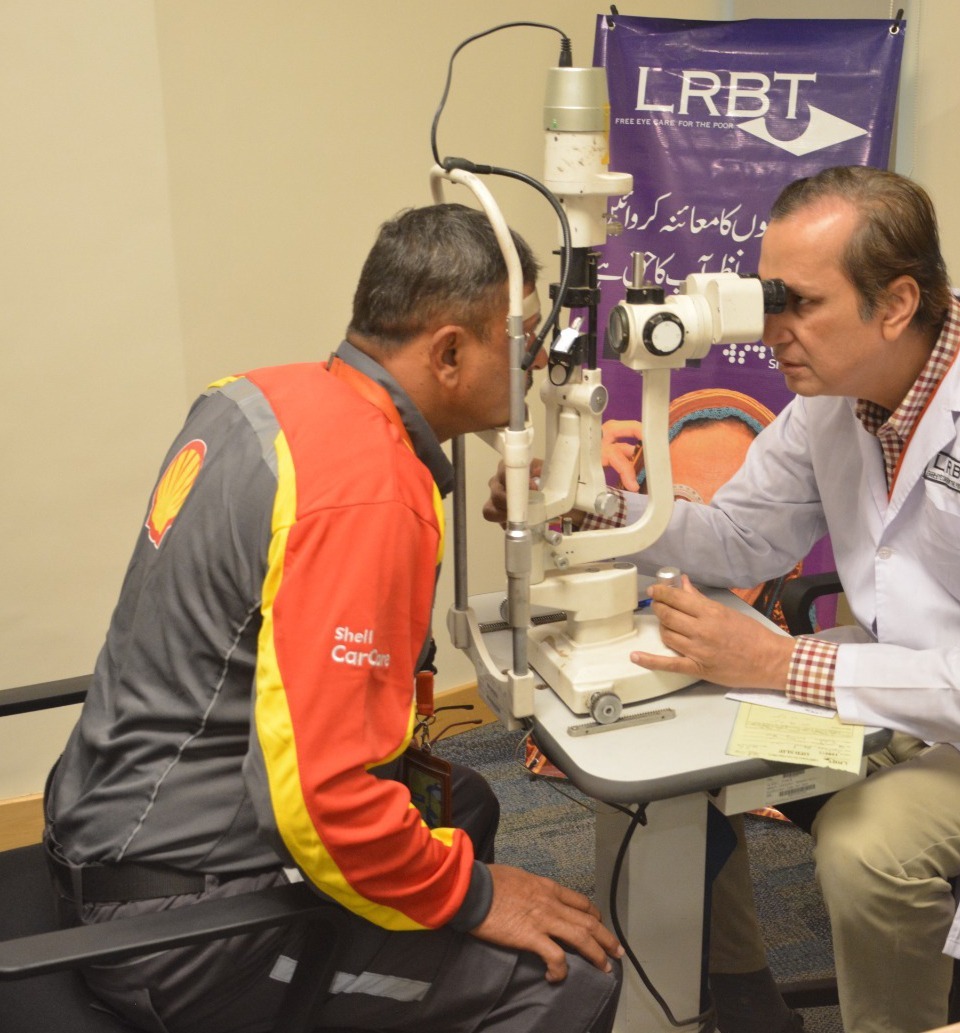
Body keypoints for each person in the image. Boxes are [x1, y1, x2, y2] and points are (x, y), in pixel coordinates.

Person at [488, 166, 960, 1033]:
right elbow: (739, 536)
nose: (771, 330)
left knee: (864, 848)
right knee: (678, 759)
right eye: (766, 297)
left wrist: (785, 663)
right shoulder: (839, 394)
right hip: (902, 683)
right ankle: (744, 998)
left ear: (896, 304)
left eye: (798, 303)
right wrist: (589, 505)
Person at [43, 203, 622, 1033]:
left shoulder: (258, 401)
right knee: (569, 980)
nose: (534, 363)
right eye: (523, 339)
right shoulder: (368, 494)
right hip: (177, 931)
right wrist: (477, 896)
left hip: (111, 820)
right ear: (449, 351)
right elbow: (327, 803)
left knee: (467, 805)